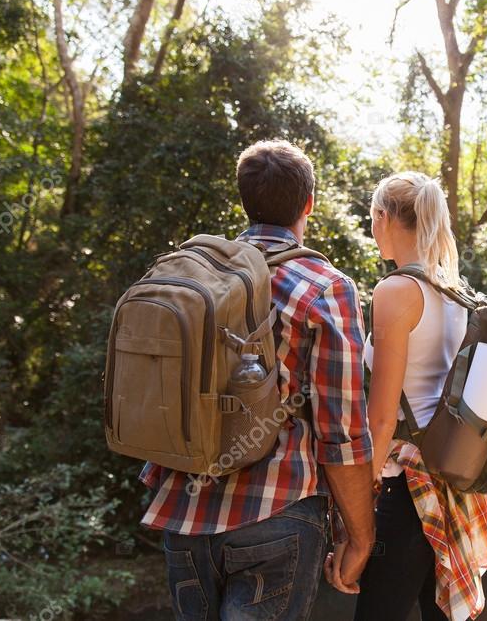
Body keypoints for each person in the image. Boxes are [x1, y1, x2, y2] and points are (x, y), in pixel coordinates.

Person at [138, 140, 376, 620]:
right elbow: (342, 431)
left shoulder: (194, 275)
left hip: (183, 514)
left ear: (244, 201)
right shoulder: (325, 287)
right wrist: (360, 537)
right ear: (309, 204)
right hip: (279, 512)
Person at [334, 171, 487, 621]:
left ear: (382, 218)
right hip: (456, 481)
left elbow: (381, 419)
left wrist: (359, 516)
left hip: (406, 489)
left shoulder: (395, 292)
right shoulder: (457, 292)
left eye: (371, 220)